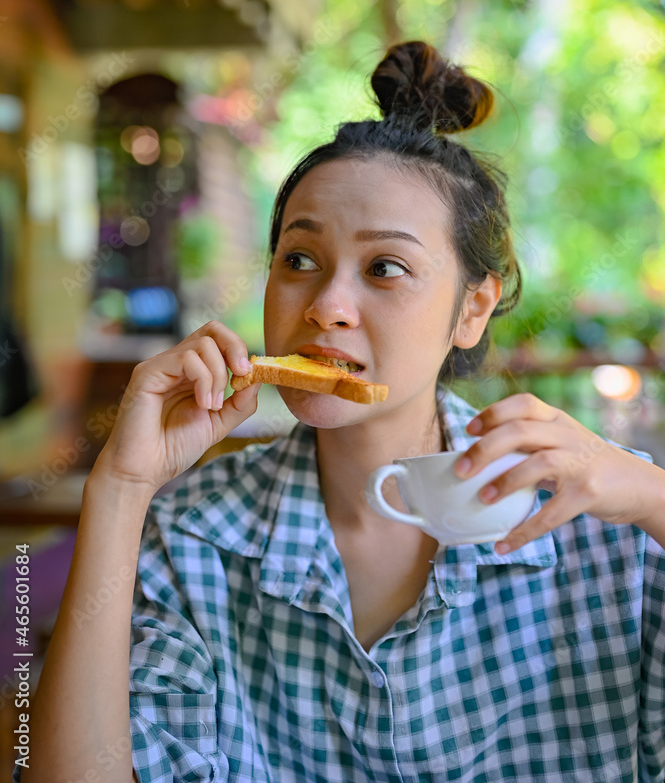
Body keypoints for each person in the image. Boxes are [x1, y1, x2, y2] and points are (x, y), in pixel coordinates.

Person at [17, 41, 665, 783]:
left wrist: (653, 495)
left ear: (472, 308)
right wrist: (121, 489)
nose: (324, 307)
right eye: (299, 260)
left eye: (385, 268)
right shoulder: (194, 533)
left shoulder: (605, 526)